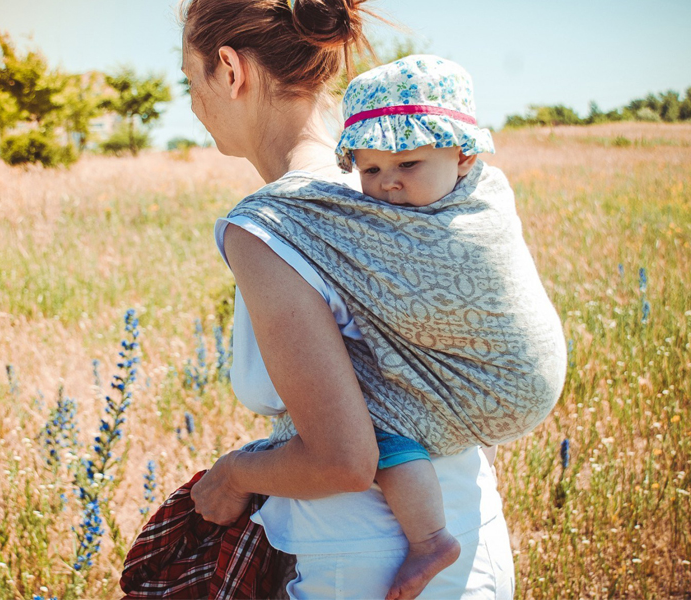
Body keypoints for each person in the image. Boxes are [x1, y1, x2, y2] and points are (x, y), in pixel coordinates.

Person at [180, 0, 546, 598]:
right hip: (475, 536)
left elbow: (343, 460)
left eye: (189, 79)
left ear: (228, 68)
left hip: (368, 568)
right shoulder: (412, 183)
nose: (193, 103)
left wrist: (233, 474)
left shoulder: (273, 224)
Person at [325, 54, 566, 599]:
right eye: (370, 170)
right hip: (516, 379)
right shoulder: (480, 192)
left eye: (407, 165)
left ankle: (430, 537)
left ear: (462, 156)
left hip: (502, 380)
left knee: (374, 413)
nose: (387, 185)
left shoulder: (469, 221)